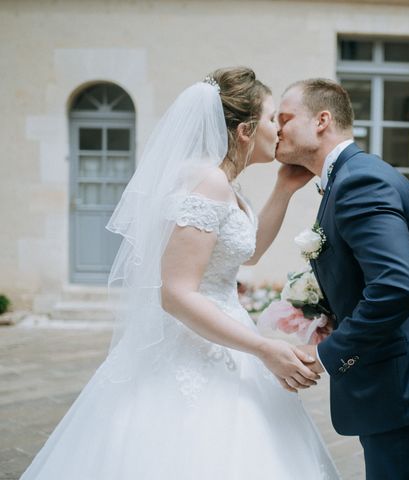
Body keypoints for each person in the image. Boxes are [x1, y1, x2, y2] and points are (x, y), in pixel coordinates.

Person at [19, 68, 339, 480]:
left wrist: (284, 188)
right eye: (272, 117)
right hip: (193, 347)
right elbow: (175, 294)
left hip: (224, 333)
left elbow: (250, 252)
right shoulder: (207, 182)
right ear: (244, 130)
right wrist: (262, 349)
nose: (278, 128)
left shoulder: (225, 182)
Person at [276, 78, 409, 480]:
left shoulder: (358, 181)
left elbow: (396, 285)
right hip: (401, 372)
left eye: (283, 118)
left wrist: (329, 354)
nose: (275, 129)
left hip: (405, 381)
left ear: (322, 120)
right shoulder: (348, 177)